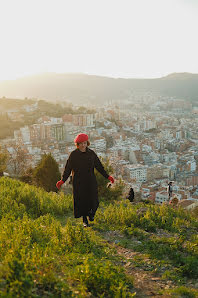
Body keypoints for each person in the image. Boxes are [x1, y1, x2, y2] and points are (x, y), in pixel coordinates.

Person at [56, 133, 114, 227]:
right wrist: (62, 180)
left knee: (95, 200)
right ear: (77, 144)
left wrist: (107, 176)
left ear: (87, 143)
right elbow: (68, 168)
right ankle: (85, 220)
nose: (83, 145)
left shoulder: (91, 153)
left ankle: (92, 214)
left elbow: (99, 166)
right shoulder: (73, 155)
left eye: (85, 143)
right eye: (81, 143)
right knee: (82, 201)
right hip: (78, 182)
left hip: (90, 180)